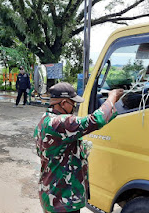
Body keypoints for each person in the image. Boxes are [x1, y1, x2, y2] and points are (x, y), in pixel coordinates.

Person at [34, 82, 124, 213]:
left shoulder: (45, 120)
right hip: (62, 199)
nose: (75, 107)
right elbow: (96, 120)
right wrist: (112, 97)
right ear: (64, 103)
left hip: (52, 194)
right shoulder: (59, 123)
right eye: (73, 103)